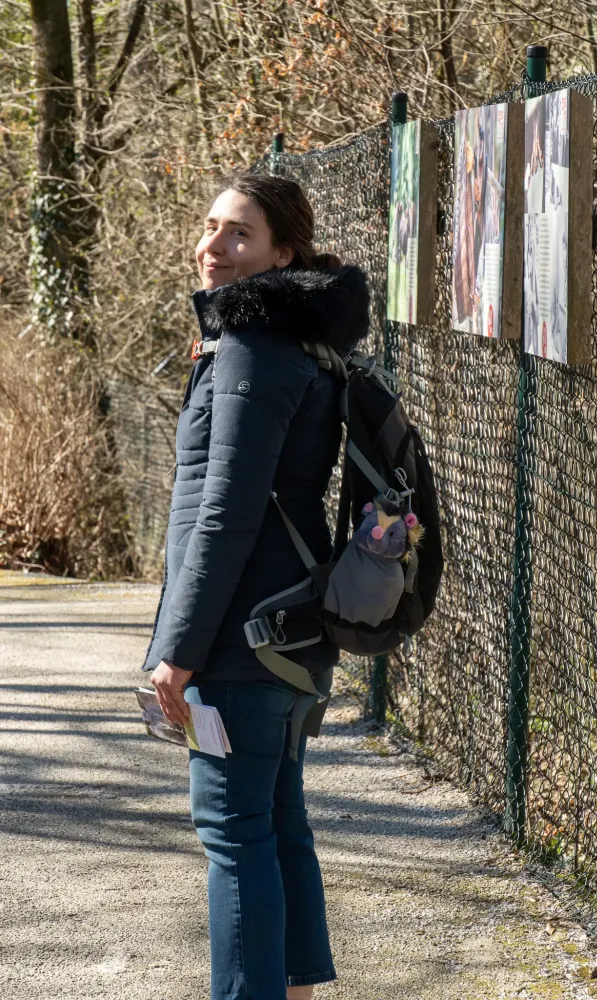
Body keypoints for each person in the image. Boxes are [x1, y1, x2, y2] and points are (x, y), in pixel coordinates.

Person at [141, 173, 370, 1000]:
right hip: (286, 628)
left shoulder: (250, 348)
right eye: (211, 226)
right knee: (276, 823)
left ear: (283, 254)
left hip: (244, 641)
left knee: (234, 835)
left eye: (239, 233)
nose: (214, 246)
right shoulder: (296, 340)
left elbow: (226, 515)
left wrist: (177, 651)